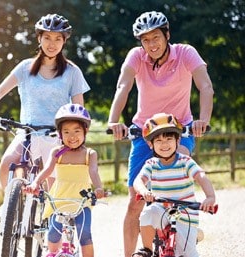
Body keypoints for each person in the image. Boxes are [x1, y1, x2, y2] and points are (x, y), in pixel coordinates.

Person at [106, 11, 214, 256]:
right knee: (135, 200)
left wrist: (203, 120)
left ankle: (185, 227)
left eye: (156, 37)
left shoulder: (186, 53)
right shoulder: (136, 57)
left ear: (167, 35)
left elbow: (205, 86)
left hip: (179, 129)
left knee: (177, 163)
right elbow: (123, 86)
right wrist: (114, 121)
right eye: (145, 40)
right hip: (144, 132)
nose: (151, 44)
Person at [0, 14, 90, 218]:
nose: (52, 43)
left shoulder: (72, 72)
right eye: (47, 37)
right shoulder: (24, 68)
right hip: (27, 133)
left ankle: (56, 239)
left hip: (56, 136)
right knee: (7, 164)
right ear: (39, 38)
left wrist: (76, 135)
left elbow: (79, 110)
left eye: (58, 38)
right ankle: (9, 208)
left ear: (64, 41)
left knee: (55, 197)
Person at [132, 113, 216, 257]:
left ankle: (193, 237)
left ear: (178, 140)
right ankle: (147, 249)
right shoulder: (151, 164)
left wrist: (210, 197)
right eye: (158, 140)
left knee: (189, 254)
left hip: (185, 214)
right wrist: (144, 191)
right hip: (162, 210)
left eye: (169, 139)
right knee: (148, 212)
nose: (164, 144)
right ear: (150, 144)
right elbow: (138, 181)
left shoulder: (185, 161)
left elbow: (201, 176)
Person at [27, 103, 104, 257]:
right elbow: (48, 170)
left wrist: (98, 188)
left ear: (85, 131)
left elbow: (93, 172)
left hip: (82, 201)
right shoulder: (58, 152)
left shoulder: (90, 153)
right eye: (66, 132)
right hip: (60, 199)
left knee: (85, 233)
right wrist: (35, 183)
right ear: (60, 133)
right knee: (53, 233)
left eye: (77, 131)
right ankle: (53, 253)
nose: (72, 136)